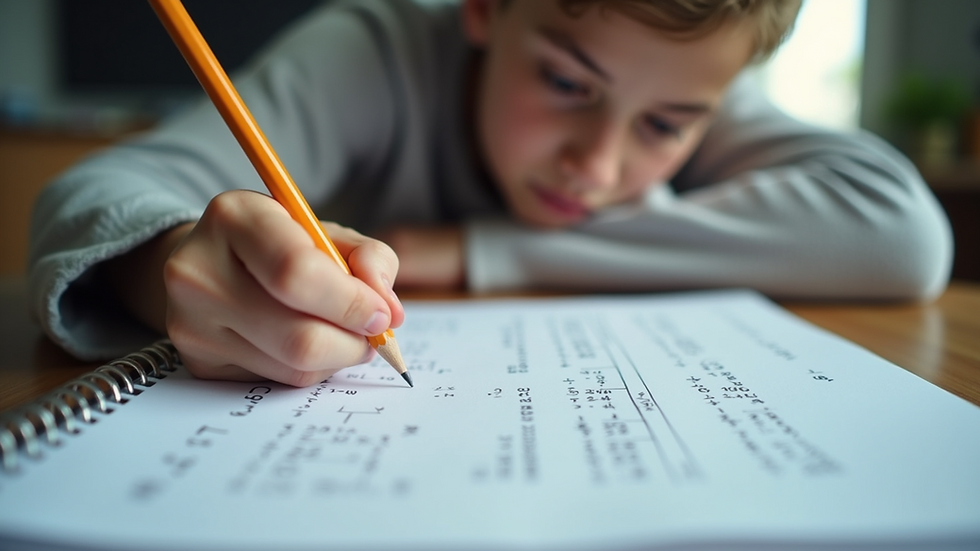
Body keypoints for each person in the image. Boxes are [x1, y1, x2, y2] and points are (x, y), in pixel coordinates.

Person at [29, 0, 952, 387]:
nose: (597, 165)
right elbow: (95, 192)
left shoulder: (695, 72)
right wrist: (161, 264)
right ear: (483, 8)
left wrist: (482, 249)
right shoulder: (371, 54)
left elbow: (900, 234)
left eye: (666, 128)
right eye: (564, 83)